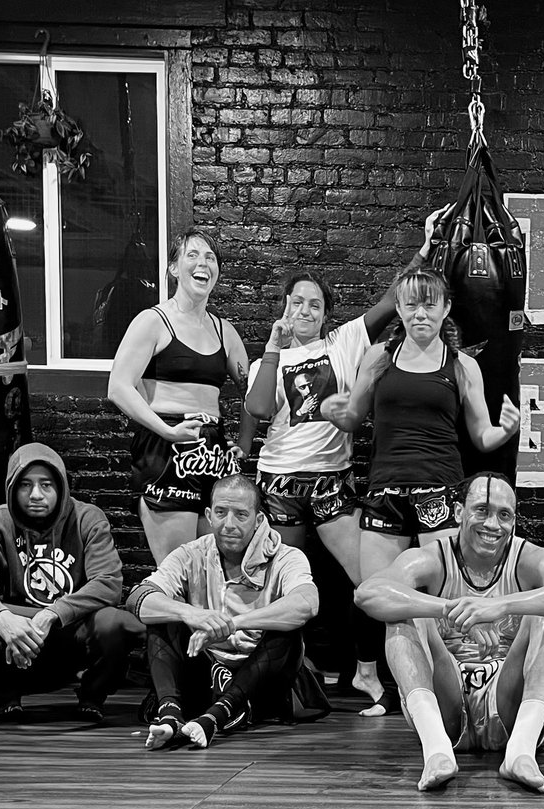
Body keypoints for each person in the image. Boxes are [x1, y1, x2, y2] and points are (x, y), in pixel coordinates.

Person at [324, 265, 522, 716]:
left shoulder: (462, 365)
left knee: (446, 594)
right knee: (377, 593)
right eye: (410, 303)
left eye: (429, 303)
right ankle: (391, 687)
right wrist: (336, 411)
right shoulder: (378, 357)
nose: (419, 313)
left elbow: (481, 437)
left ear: (445, 308)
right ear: (399, 307)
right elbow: (354, 418)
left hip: (438, 491)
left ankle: (453, 687)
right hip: (385, 490)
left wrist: (506, 430)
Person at [354, 472, 544, 793]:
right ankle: (437, 752)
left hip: (507, 700)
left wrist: (500, 607)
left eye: (504, 515)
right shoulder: (434, 557)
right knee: (404, 613)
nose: (493, 525)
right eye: (481, 510)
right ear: (458, 513)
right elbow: (369, 594)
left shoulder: (528, 557)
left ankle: (520, 753)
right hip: (447, 703)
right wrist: (451, 609)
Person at [243, 270, 402, 704]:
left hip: (332, 479)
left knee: (368, 579)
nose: (305, 311)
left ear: (326, 314)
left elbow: (391, 299)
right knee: (281, 584)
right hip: (279, 482)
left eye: (315, 304)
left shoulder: (344, 343)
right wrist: (274, 347)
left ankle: (366, 672)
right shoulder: (267, 361)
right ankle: (288, 672)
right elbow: (258, 408)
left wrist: (428, 247)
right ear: (285, 307)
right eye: (297, 302)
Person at [0, 443, 143, 722]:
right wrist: (2, 617)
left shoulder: (87, 518)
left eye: (46, 485)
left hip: (70, 630)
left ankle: (92, 696)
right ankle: (7, 696)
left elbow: (108, 583)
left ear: (60, 487)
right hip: (17, 635)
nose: (35, 495)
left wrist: (53, 613)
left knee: (114, 621)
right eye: (25, 485)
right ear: (12, 488)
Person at [129, 475, 319, 749]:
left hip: (262, 675)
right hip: (205, 669)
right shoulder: (190, 554)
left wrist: (233, 623)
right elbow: (137, 598)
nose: (229, 524)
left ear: (257, 518)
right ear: (208, 515)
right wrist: (189, 613)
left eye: (241, 515)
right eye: (221, 513)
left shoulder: (286, 556)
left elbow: (307, 603)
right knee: (163, 615)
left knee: (287, 628)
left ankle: (215, 717)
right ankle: (169, 717)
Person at [108, 227, 252, 562]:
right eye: (193, 254)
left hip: (212, 453)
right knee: (180, 572)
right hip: (165, 447)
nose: (203, 263)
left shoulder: (224, 331)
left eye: (210, 257)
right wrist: (167, 430)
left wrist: (244, 444)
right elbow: (118, 387)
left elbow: (251, 394)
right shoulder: (153, 321)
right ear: (174, 268)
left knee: (214, 570)